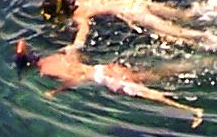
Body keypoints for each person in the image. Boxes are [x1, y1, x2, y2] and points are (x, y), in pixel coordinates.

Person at [14, 37, 204, 127]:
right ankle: (195, 65)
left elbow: (76, 78)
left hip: (106, 78)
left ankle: (193, 111)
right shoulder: (54, 57)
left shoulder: (46, 70)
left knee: (149, 94)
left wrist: (55, 92)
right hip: (106, 68)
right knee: (153, 74)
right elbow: (75, 57)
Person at [40, 0, 217, 52]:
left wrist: (75, 46)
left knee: (174, 31)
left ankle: (205, 36)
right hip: (138, 2)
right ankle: (210, 7)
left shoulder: (79, 15)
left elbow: (83, 33)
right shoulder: (82, 1)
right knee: (185, 15)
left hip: (133, 12)